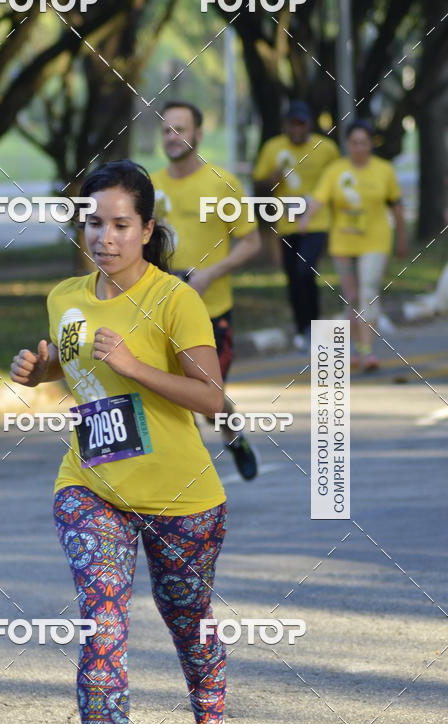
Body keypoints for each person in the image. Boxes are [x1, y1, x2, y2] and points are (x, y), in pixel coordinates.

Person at [10, 160, 233, 724]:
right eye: (93, 222)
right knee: (101, 628)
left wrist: (135, 367)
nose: (103, 237)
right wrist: (40, 366)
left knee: (189, 625)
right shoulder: (65, 296)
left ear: (146, 229)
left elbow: (212, 397)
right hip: (91, 485)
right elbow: (71, 359)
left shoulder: (175, 299)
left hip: (181, 495)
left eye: (118, 224)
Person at [151, 101, 261, 480]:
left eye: (180, 129)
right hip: (163, 311)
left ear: (198, 134)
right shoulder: (150, 186)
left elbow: (250, 242)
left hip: (211, 311)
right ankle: (191, 475)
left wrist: (211, 274)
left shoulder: (222, 183)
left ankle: (234, 438)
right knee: (173, 395)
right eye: (167, 130)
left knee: (209, 397)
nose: (173, 137)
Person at [301, 120, 407, 371]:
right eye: (354, 143)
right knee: (352, 297)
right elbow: (319, 199)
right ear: (347, 144)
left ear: (371, 144)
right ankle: (356, 348)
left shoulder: (384, 170)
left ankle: (367, 352)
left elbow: (397, 208)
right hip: (344, 242)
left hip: (376, 240)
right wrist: (306, 217)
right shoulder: (336, 170)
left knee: (368, 292)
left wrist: (402, 239)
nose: (359, 148)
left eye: (363, 142)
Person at [252, 100, 340, 351]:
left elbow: (339, 179)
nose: (297, 128)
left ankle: (313, 325)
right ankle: (302, 328)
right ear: (286, 126)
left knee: (305, 270)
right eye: (293, 124)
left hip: (316, 221)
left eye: (302, 123)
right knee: (293, 277)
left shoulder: (326, 148)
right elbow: (259, 185)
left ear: (309, 124)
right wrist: (272, 179)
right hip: (287, 223)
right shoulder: (273, 148)